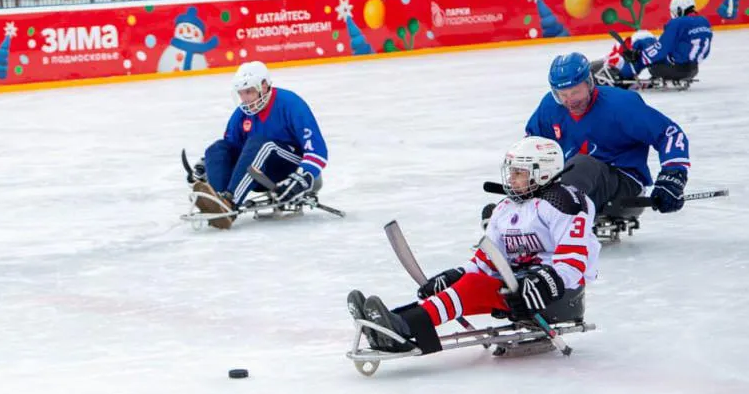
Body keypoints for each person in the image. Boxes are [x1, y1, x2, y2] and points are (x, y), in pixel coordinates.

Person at [351, 136, 600, 354]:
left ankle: (402, 327)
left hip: (557, 295)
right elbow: (485, 262)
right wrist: (454, 276)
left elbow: (573, 263)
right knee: (467, 283)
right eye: (511, 171)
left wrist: (542, 283)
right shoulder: (505, 209)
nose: (511, 179)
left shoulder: (565, 202)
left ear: (542, 172)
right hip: (517, 287)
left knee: (473, 286)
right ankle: (392, 323)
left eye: (519, 173)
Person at [524, 52, 690, 217]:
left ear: (589, 83)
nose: (570, 101)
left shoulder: (621, 105)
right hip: (572, 184)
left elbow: (669, 134)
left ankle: (553, 216)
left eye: (575, 92)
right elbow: (531, 146)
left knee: (581, 164)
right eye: (563, 95)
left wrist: (673, 176)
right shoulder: (550, 107)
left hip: (624, 186)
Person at [188, 61, 329, 229]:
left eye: (249, 92)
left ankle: (230, 203)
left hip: (290, 169)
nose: (245, 99)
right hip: (258, 173)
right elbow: (230, 149)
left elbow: (317, 150)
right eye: (241, 93)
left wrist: (302, 178)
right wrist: (209, 164)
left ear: (264, 85)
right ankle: (217, 201)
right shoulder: (241, 113)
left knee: (260, 144)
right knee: (217, 148)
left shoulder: (291, 104)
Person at [596, 0, 713, 85]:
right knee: (651, 46)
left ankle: (622, 75)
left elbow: (661, 49)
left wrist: (638, 56)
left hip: (672, 69)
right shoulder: (705, 22)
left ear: (679, 9)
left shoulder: (678, 23)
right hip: (692, 70)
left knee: (643, 39)